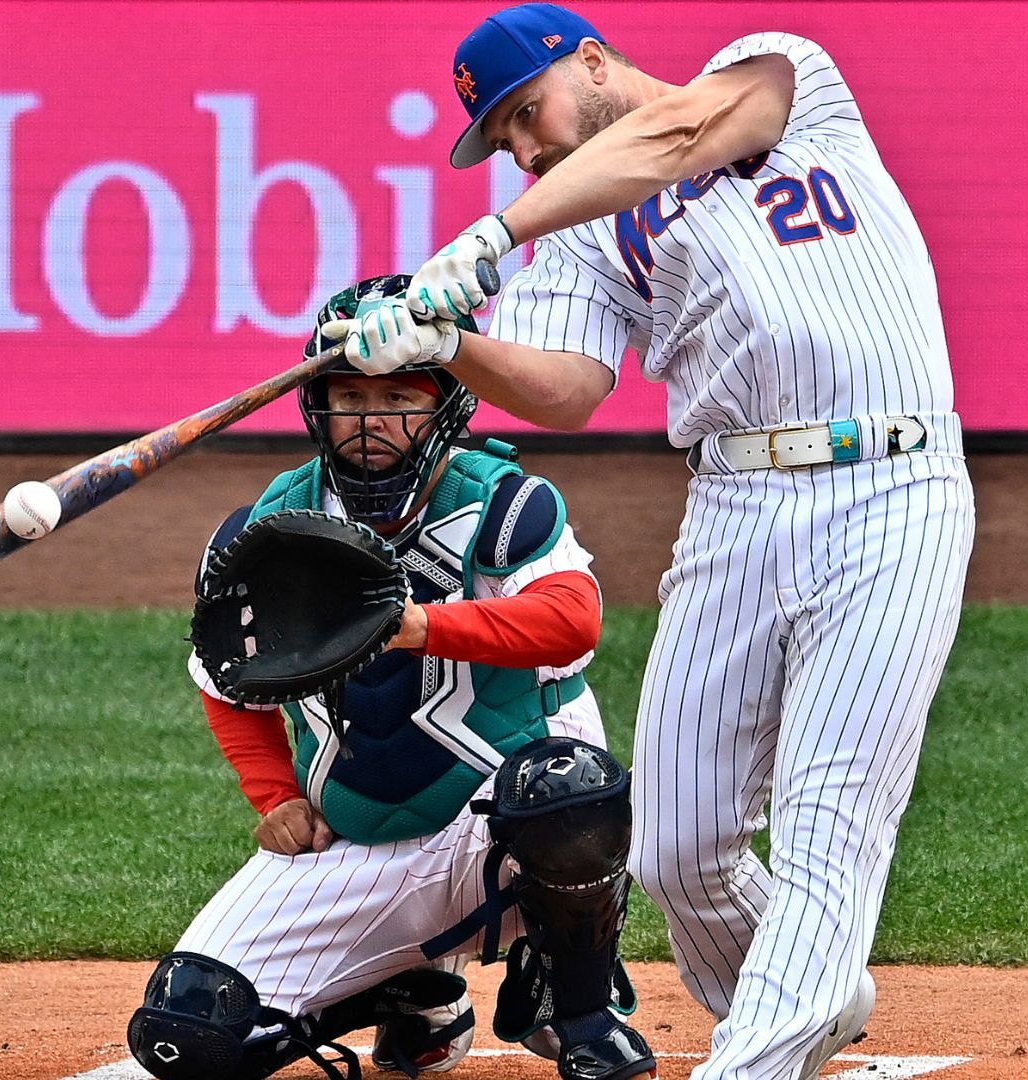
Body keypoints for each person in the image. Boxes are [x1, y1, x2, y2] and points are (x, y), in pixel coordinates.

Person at [329, 5, 976, 1077]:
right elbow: (570, 390)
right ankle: (817, 992)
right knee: (677, 848)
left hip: (891, 484)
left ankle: (757, 1056)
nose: (523, 150)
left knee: (826, 822)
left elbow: (674, 140)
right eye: (501, 143)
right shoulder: (580, 232)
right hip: (733, 507)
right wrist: (452, 341)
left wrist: (497, 231)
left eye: (524, 115)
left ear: (590, 60)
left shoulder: (778, 82)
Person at [127, 275, 657, 1080]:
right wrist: (273, 796)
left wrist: (419, 626)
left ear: (446, 402)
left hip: (501, 817)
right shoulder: (265, 535)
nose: (371, 421)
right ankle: (407, 989)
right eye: (349, 397)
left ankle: (573, 1003)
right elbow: (224, 677)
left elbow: (572, 617)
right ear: (318, 405)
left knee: (567, 785)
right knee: (187, 1030)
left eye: (400, 397)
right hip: (359, 832)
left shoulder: (507, 503)